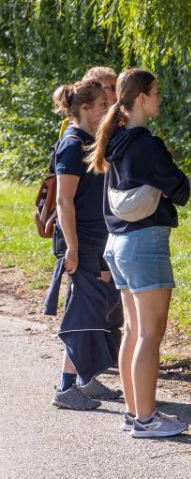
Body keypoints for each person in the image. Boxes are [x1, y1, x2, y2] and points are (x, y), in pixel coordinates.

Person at [89, 68, 191, 438]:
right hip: (144, 243)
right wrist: (167, 186)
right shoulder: (147, 145)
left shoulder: (114, 141)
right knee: (150, 334)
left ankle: (135, 413)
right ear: (142, 98)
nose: (160, 98)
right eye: (157, 91)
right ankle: (146, 420)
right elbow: (181, 189)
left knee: (133, 330)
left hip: (117, 244)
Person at [44, 79, 121, 410]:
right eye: (103, 104)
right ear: (85, 109)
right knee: (84, 310)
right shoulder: (73, 145)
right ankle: (65, 387)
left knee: (103, 303)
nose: (108, 109)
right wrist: (72, 248)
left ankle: (86, 379)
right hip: (80, 241)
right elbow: (64, 202)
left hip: (99, 238)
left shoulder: (93, 141)